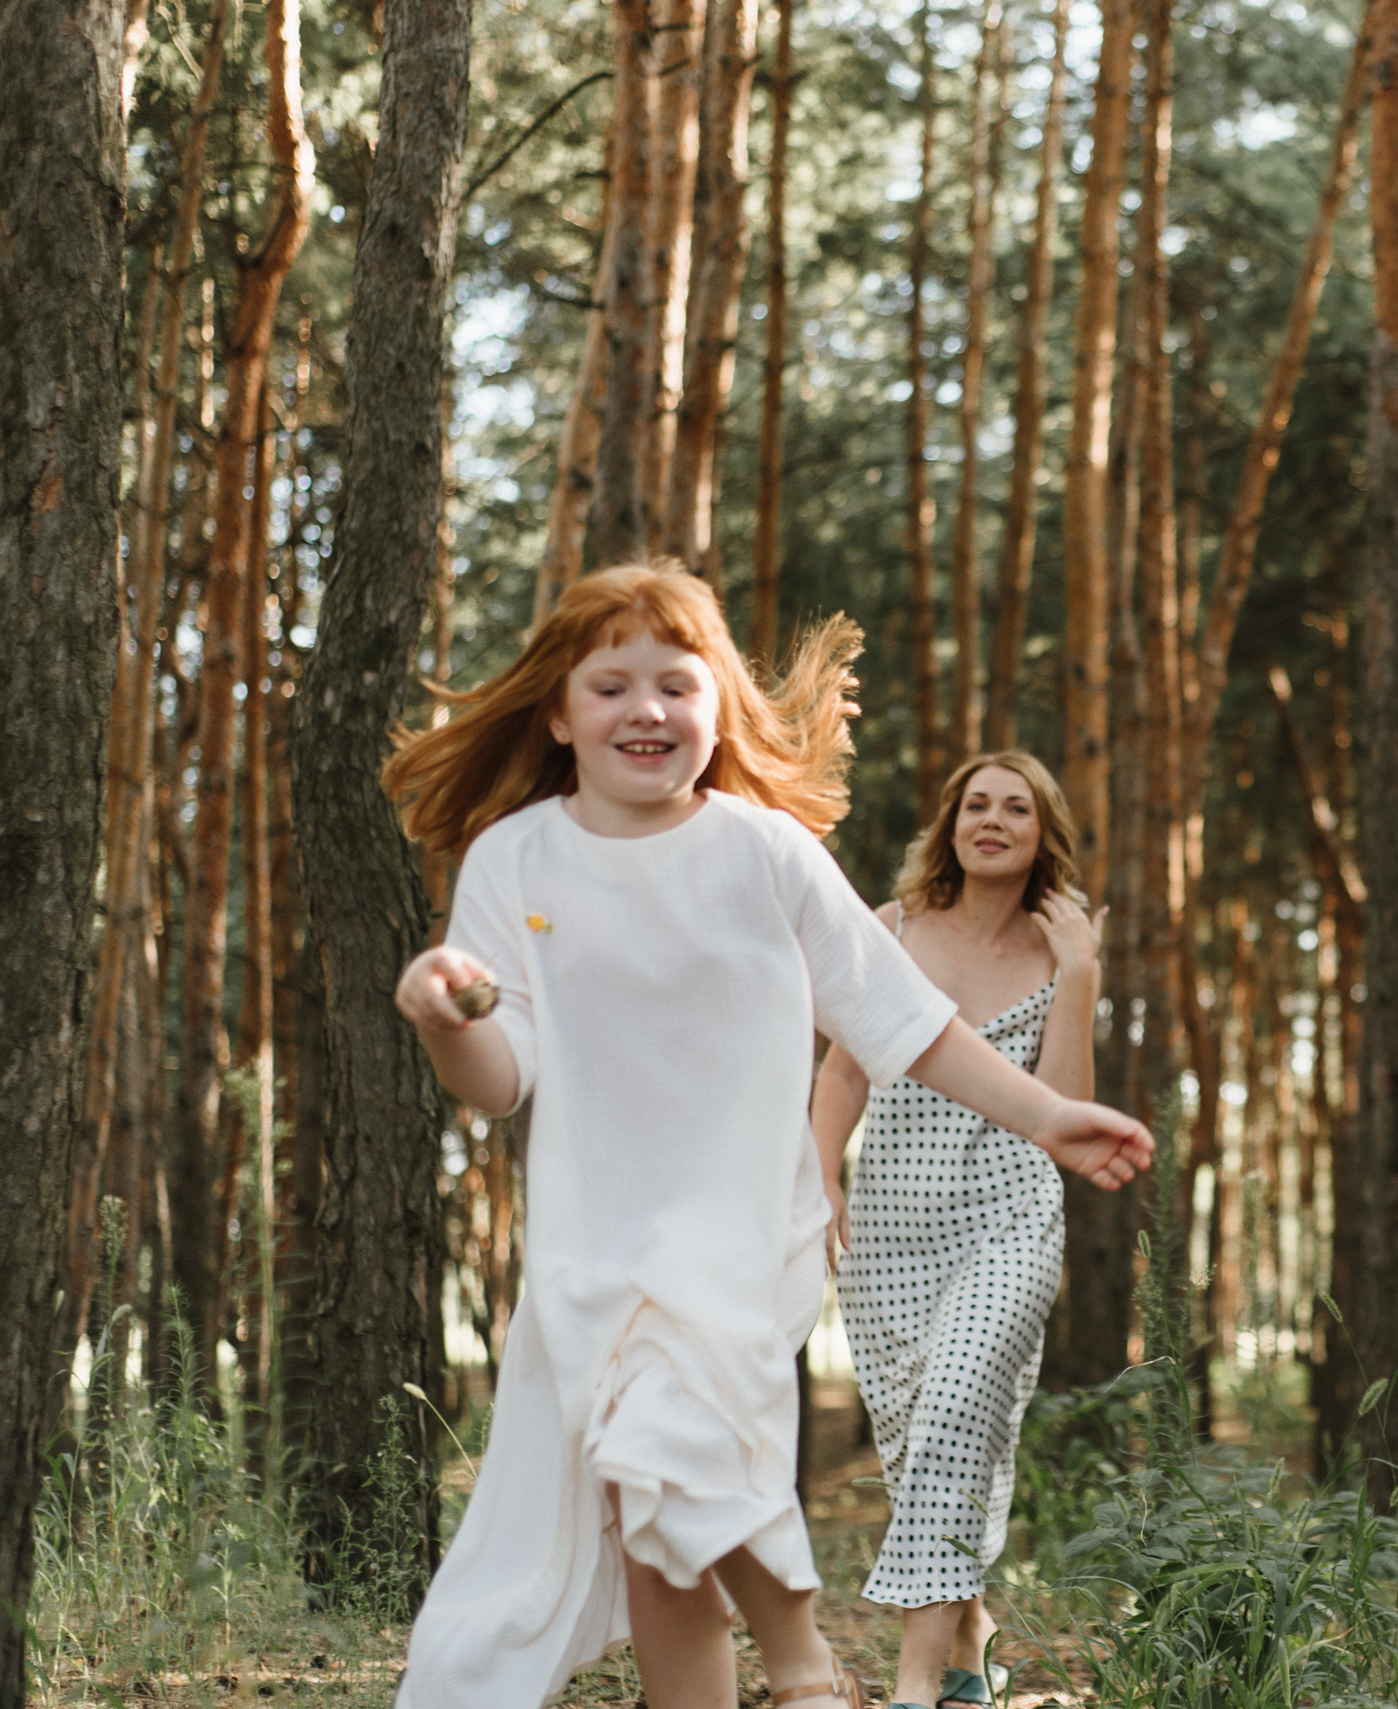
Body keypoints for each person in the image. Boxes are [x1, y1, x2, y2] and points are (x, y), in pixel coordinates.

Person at [384, 566, 1151, 1709]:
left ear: (718, 708)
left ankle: (800, 1667)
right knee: (653, 1522)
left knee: (663, 1436)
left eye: (676, 684)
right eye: (612, 685)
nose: (646, 708)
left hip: (742, 1228)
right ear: (558, 711)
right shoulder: (517, 858)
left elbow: (899, 1020)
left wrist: (1046, 1113)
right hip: (592, 1242)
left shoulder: (766, 849)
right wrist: (441, 1014)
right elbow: (502, 1079)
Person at [812, 752, 1099, 1709]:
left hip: (1008, 1219)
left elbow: (1064, 1108)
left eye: (1016, 807)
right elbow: (845, 1074)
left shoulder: (1060, 946)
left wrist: (1083, 972)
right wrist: (819, 1180)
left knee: (953, 1415)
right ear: (950, 822)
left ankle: (913, 1689)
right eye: (976, 802)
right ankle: (972, 1644)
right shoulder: (890, 930)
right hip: (891, 1228)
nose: (993, 818)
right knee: (928, 1448)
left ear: (1040, 832)